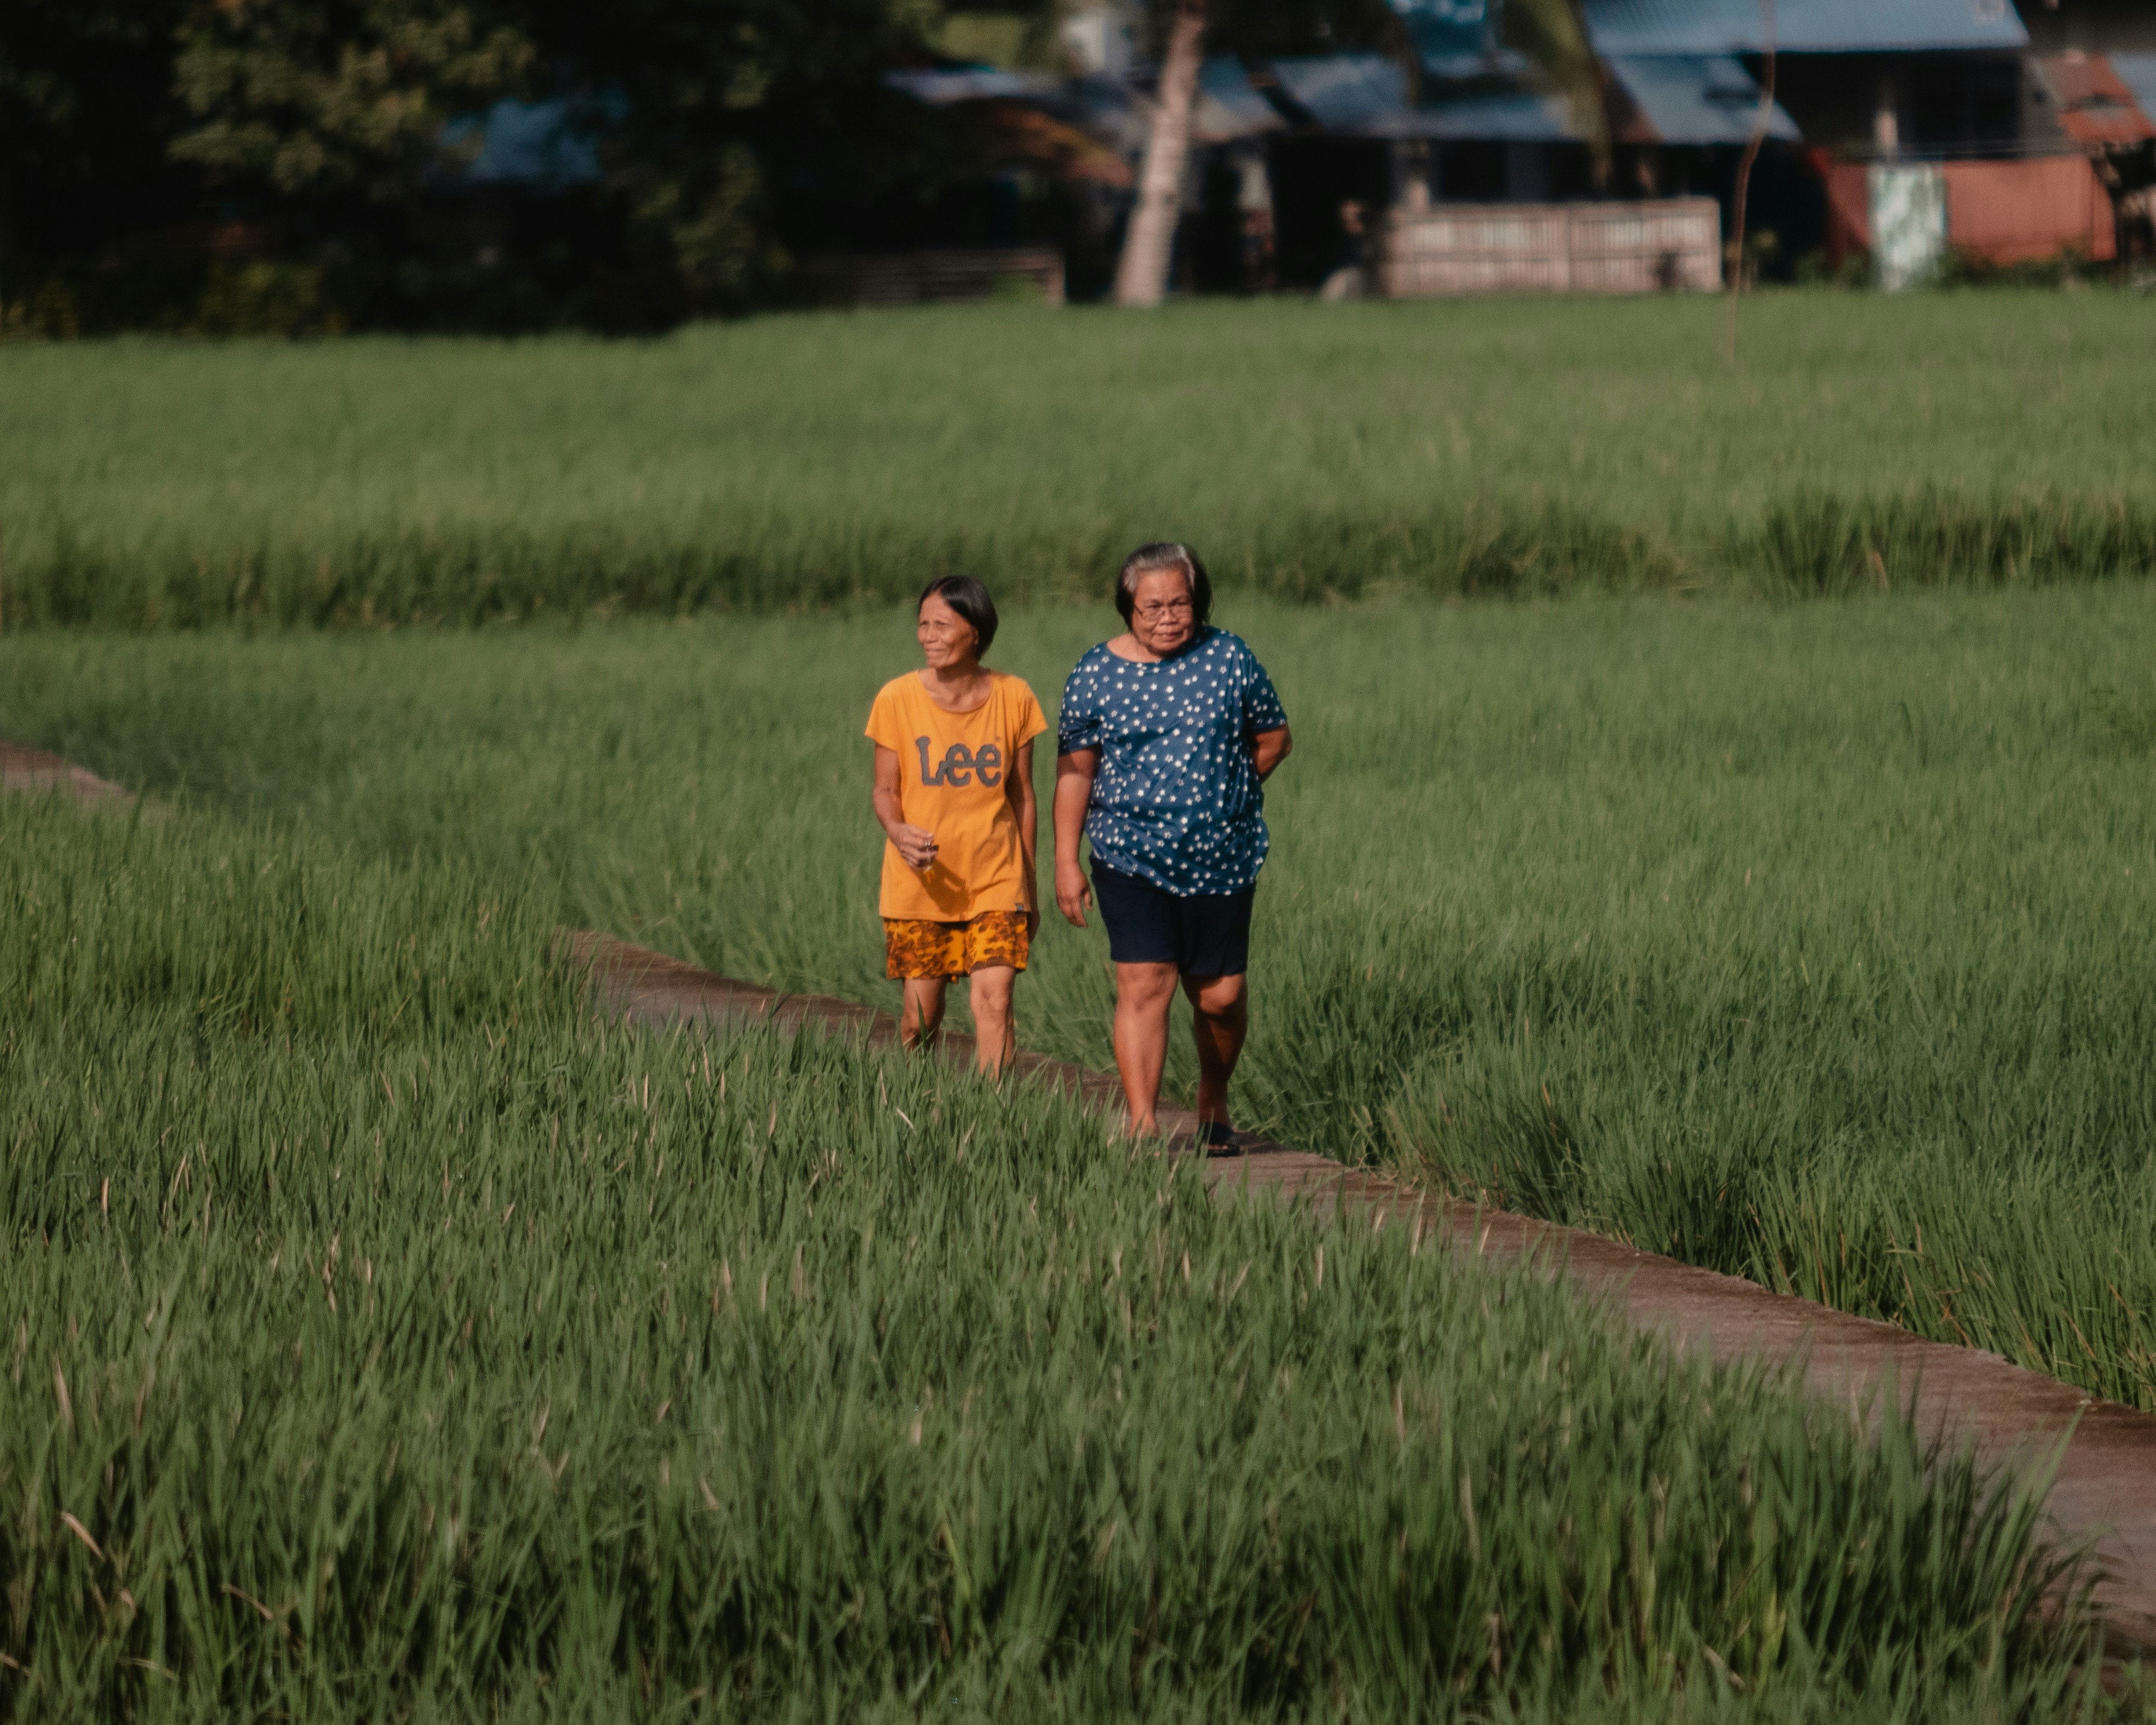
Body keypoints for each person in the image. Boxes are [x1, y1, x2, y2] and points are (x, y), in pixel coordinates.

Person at [1052, 543, 1292, 1146]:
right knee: (1145, 983)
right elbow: (1076, 772)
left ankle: (1212, 1098)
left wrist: (1228, 794)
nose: (1167, 617)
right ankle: (1142, 1126)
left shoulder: (1227, 656)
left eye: (1179, 603)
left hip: (1222, 856)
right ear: (1127, 609)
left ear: (1198, 602)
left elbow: (1273, 737)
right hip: (1128, 855)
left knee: (1220, 997)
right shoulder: (1094, 673)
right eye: (1152, 606)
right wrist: (1063, 861)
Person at [867, 577, 1047, 1075]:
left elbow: (1022, 797)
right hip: (922, 882)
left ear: (977, 631)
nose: (929, 636)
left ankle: (995, 1122)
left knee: (995, 1002)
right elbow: (885, 790)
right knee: (919, 1020)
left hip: (996, 878)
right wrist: (898, 831)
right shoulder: (897, 698)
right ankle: (916, 1107)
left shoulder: (1016, 698)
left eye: (942, 625)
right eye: (923, 625)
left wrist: (1028, 888)